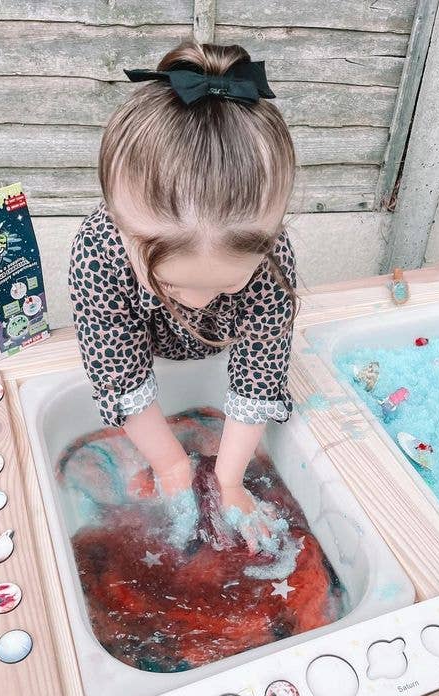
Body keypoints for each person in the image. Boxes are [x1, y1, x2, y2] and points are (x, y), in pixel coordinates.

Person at [68, 41, 298, 546]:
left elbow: (260, 377)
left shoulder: (272, 261)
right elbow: (119, 376)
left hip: (219, 351)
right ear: (120, 229)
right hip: (146, 351)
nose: (196, 302)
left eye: (228, 284)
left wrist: (229, 481)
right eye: (170, 285)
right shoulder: (98, 253)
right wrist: (171, 463)